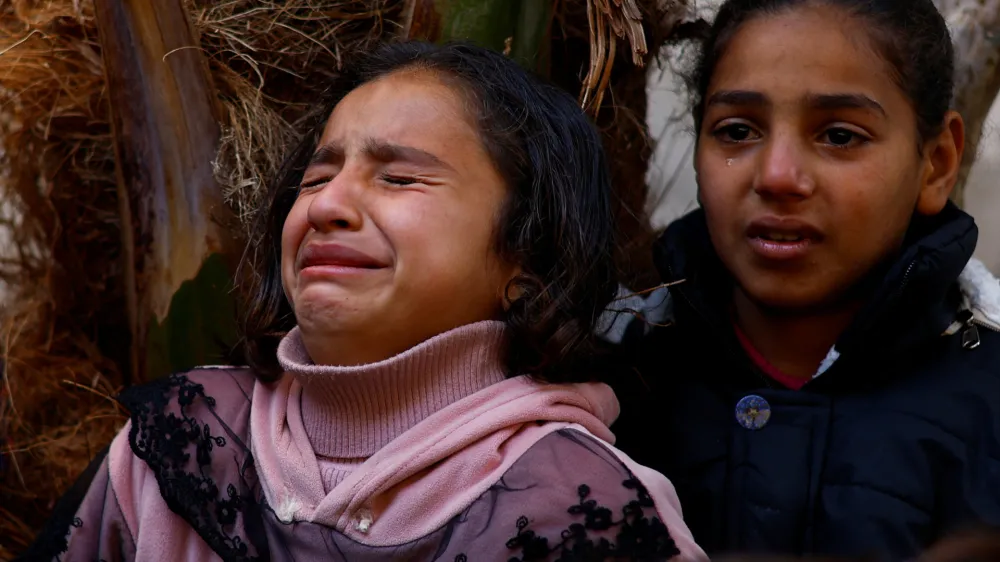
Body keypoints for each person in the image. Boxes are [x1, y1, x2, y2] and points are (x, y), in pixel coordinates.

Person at [21, 42, 706, 562]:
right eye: (317, 175)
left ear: (526, 263)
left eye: (400, 177)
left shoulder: (588, 508)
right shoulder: (177, 443)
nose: (328, 205)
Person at [604, 0, 1000, 558]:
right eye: (737, 131)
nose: (777, 177)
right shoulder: (608, 376)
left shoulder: (988, 402)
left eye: (839, 136)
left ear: (935, 163)